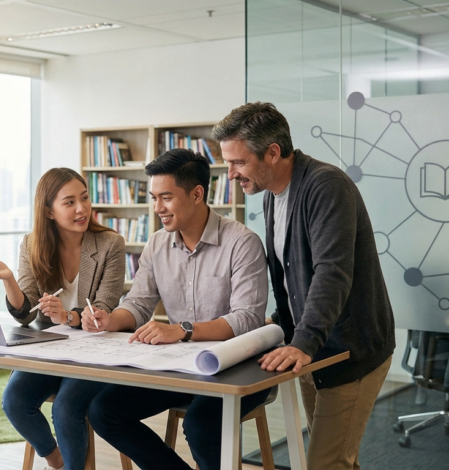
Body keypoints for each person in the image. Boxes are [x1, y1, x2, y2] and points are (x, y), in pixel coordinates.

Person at [212, 102, 396, 470]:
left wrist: (303, 341)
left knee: (326, 463)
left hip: (350, 350)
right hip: (313, 347)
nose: (230, 174)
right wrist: (278, 324)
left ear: (273, 153)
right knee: (337, 459)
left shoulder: (326, 186)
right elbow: (289, 273)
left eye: (238, 162)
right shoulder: (271, 195)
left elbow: (332, 272)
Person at [82, 149, 269, 470]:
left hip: (238, 365)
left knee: (201, 425)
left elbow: (247, 319)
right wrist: (110, 319)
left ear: (197, 194)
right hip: (179, 365)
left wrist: (182, 330)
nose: (157, 209)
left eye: (165, 198)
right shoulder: (157, 243)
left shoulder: (242, 243)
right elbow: (139, 303)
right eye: (154, 198)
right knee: (103, 410)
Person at [0, 167, 125, 470]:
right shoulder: (31, 245)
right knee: (15, 401)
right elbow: (25, 314)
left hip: (95, 350)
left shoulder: (111, 244)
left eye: (84, 198)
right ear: (48, 212)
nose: (82, 208)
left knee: (66, 407)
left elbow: (104, 310)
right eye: (69, 202)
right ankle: (56, 460)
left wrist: (68, 316)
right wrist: (8, 280)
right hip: (51, 349)